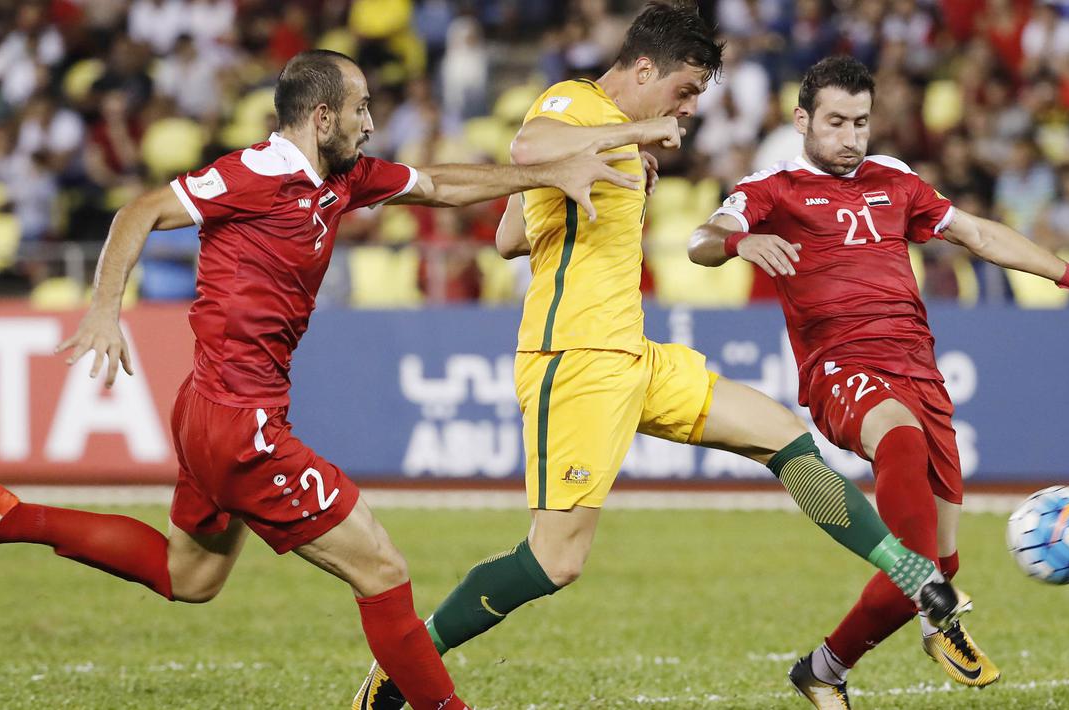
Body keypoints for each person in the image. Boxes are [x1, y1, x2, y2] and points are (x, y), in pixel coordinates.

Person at [0, 49, 642, 710]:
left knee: (189, 578)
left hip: (204, 408)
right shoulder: (254, 173)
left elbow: (444, 185)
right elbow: (139, 210)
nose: (369, 122)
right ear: (321, 116)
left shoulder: (343, 178)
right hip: (239, 425)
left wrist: (548, 171)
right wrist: (106, 309)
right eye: (359, 109)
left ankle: (9, 515)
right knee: (383, 570)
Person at [353, 7, 968, 708]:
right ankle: (409, 656)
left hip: (632, 353)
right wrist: (626, 136)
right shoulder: (575, 103)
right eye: (682, 92)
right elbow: (529, 147)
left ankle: (906, 569)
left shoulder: (599, 138)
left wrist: (589, 169)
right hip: (575, 358)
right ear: (643, 70)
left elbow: (506, 238)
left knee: (778, 433)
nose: (688, 109)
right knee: (554, 561)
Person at [686, 55, 1069, 709]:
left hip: (917, 367)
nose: (849, 137)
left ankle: (828, 666)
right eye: (835, 122)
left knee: (934, 564)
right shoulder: (770, 188)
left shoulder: (893, 181)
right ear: (802, 119)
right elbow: (701, 237)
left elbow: (978, 234)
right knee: (899, 447)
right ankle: (926, 602)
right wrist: (735, 244)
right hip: (840, 368)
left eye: (860, 123)